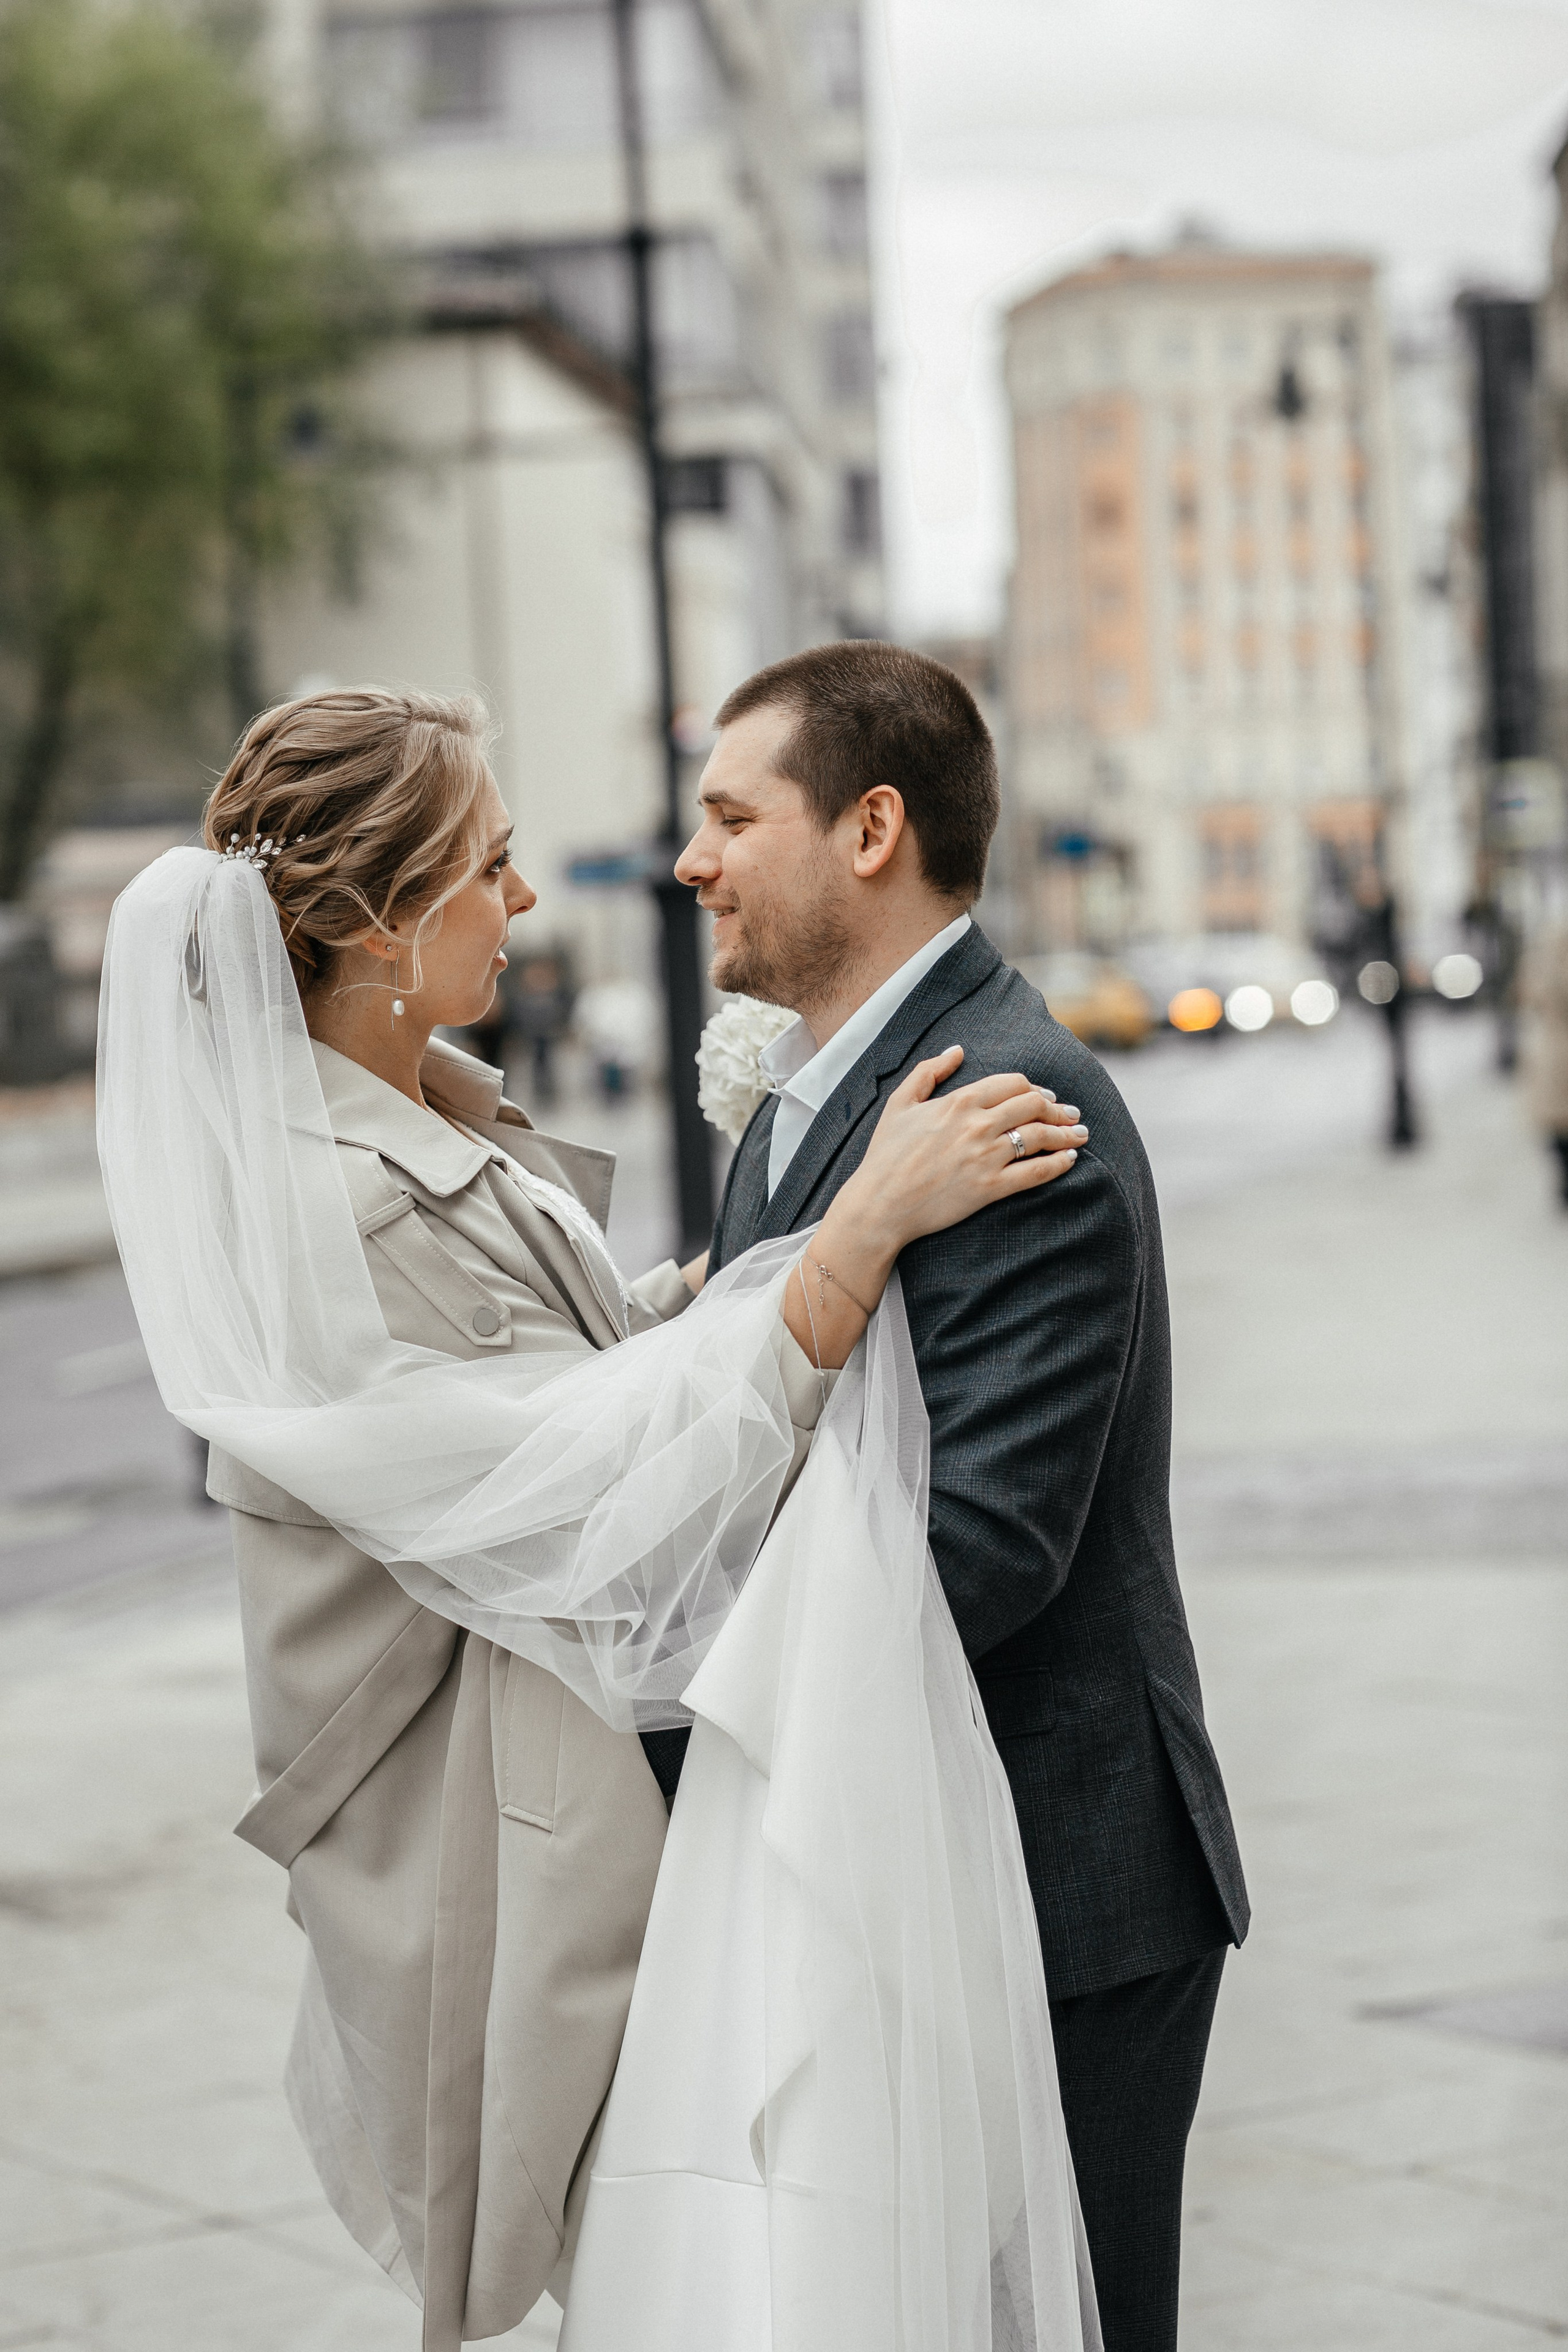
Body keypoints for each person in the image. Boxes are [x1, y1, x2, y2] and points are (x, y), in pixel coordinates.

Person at [95, 687, 1097, 2352]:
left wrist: (706, 1283)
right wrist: (847, 1240)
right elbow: (574, 1491)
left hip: (565, 1781)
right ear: (377, 919)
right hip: (497, 1838)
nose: (525, 895)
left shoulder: (422, 1117)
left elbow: (544, 1381)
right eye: (488, 864)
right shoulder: (334, 1198)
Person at [644, 641, 1250, 2352]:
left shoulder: (1012, 1103)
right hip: (875, 1844)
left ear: (869, 830)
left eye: (731, 817)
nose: (690, 860)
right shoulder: (805, 1099)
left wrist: (674, 1697)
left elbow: (981, 1544)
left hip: (1054, 1880)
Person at [1520, 921, 1568, 1204]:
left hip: (1551, 1048)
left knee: (1556, 1125)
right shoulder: (1551, 954)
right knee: (1557, 1124)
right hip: (1556, 1050)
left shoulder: (1541, 954)